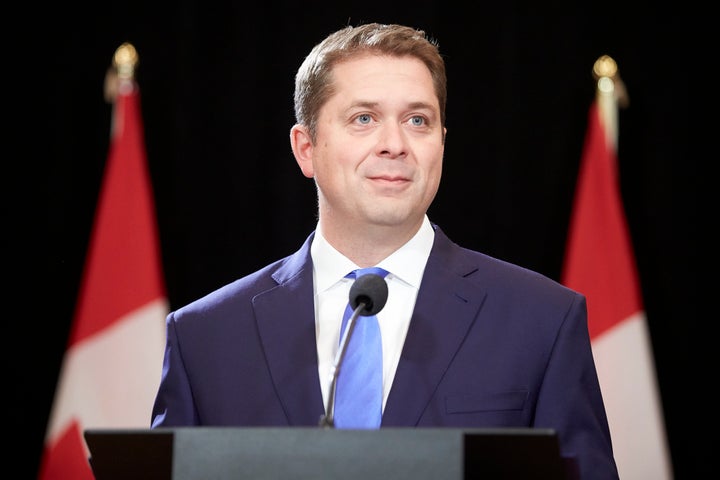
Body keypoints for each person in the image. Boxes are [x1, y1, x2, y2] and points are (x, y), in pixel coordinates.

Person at [150, 22, 619, 479]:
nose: (395, 144)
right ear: (306, 147)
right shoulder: (205, 336)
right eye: (364, 119)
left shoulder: (541, 320)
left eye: (418, 120)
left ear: (441, 144)